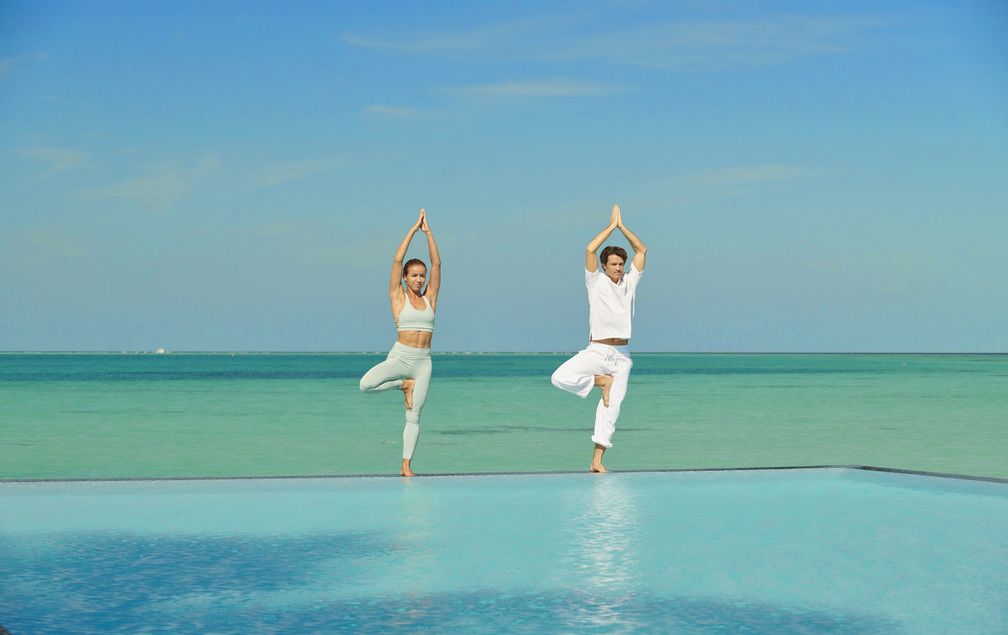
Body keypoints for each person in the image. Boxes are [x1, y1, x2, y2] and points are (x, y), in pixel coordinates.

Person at [551, 204, 647, 473]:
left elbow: (642, 251)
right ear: (604, 266)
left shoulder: (629, 283)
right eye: (613, 264)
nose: (618, 268)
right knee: (559, 378)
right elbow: (590, 250)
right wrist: (609, 228)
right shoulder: (595, 282)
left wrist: (622, 227)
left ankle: (597, 461)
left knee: (611, 410)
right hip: (596, 351)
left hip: (621, 357)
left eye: (620, 264)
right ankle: (598, 382)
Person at [359, 209, 441, 477]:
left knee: (414, 416)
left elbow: (438, 265)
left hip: (423, 362)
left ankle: (406, 466)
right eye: (414, 275)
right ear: (405, 278)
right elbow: (396, 261)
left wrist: (428, 233)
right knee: (366, 385)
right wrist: (411, 231)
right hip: (400, 357)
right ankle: (402, 385)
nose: (419, 279)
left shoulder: (430, 298)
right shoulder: (397, 297)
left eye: (422, 275)